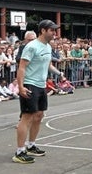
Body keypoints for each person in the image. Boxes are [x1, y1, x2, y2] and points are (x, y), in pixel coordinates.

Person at [12, 19, 64, 164]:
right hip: (30, 84)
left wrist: (59, 74)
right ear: (43, 30)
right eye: (52, 30)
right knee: (27, 117)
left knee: (39, 115)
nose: (54, 33)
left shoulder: (47, 47)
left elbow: (48, 65)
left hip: (41, 85)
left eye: (55, 30)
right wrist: (21, 87)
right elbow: (21, 67)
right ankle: (19, 151)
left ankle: (31, 145)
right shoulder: (31, 47)